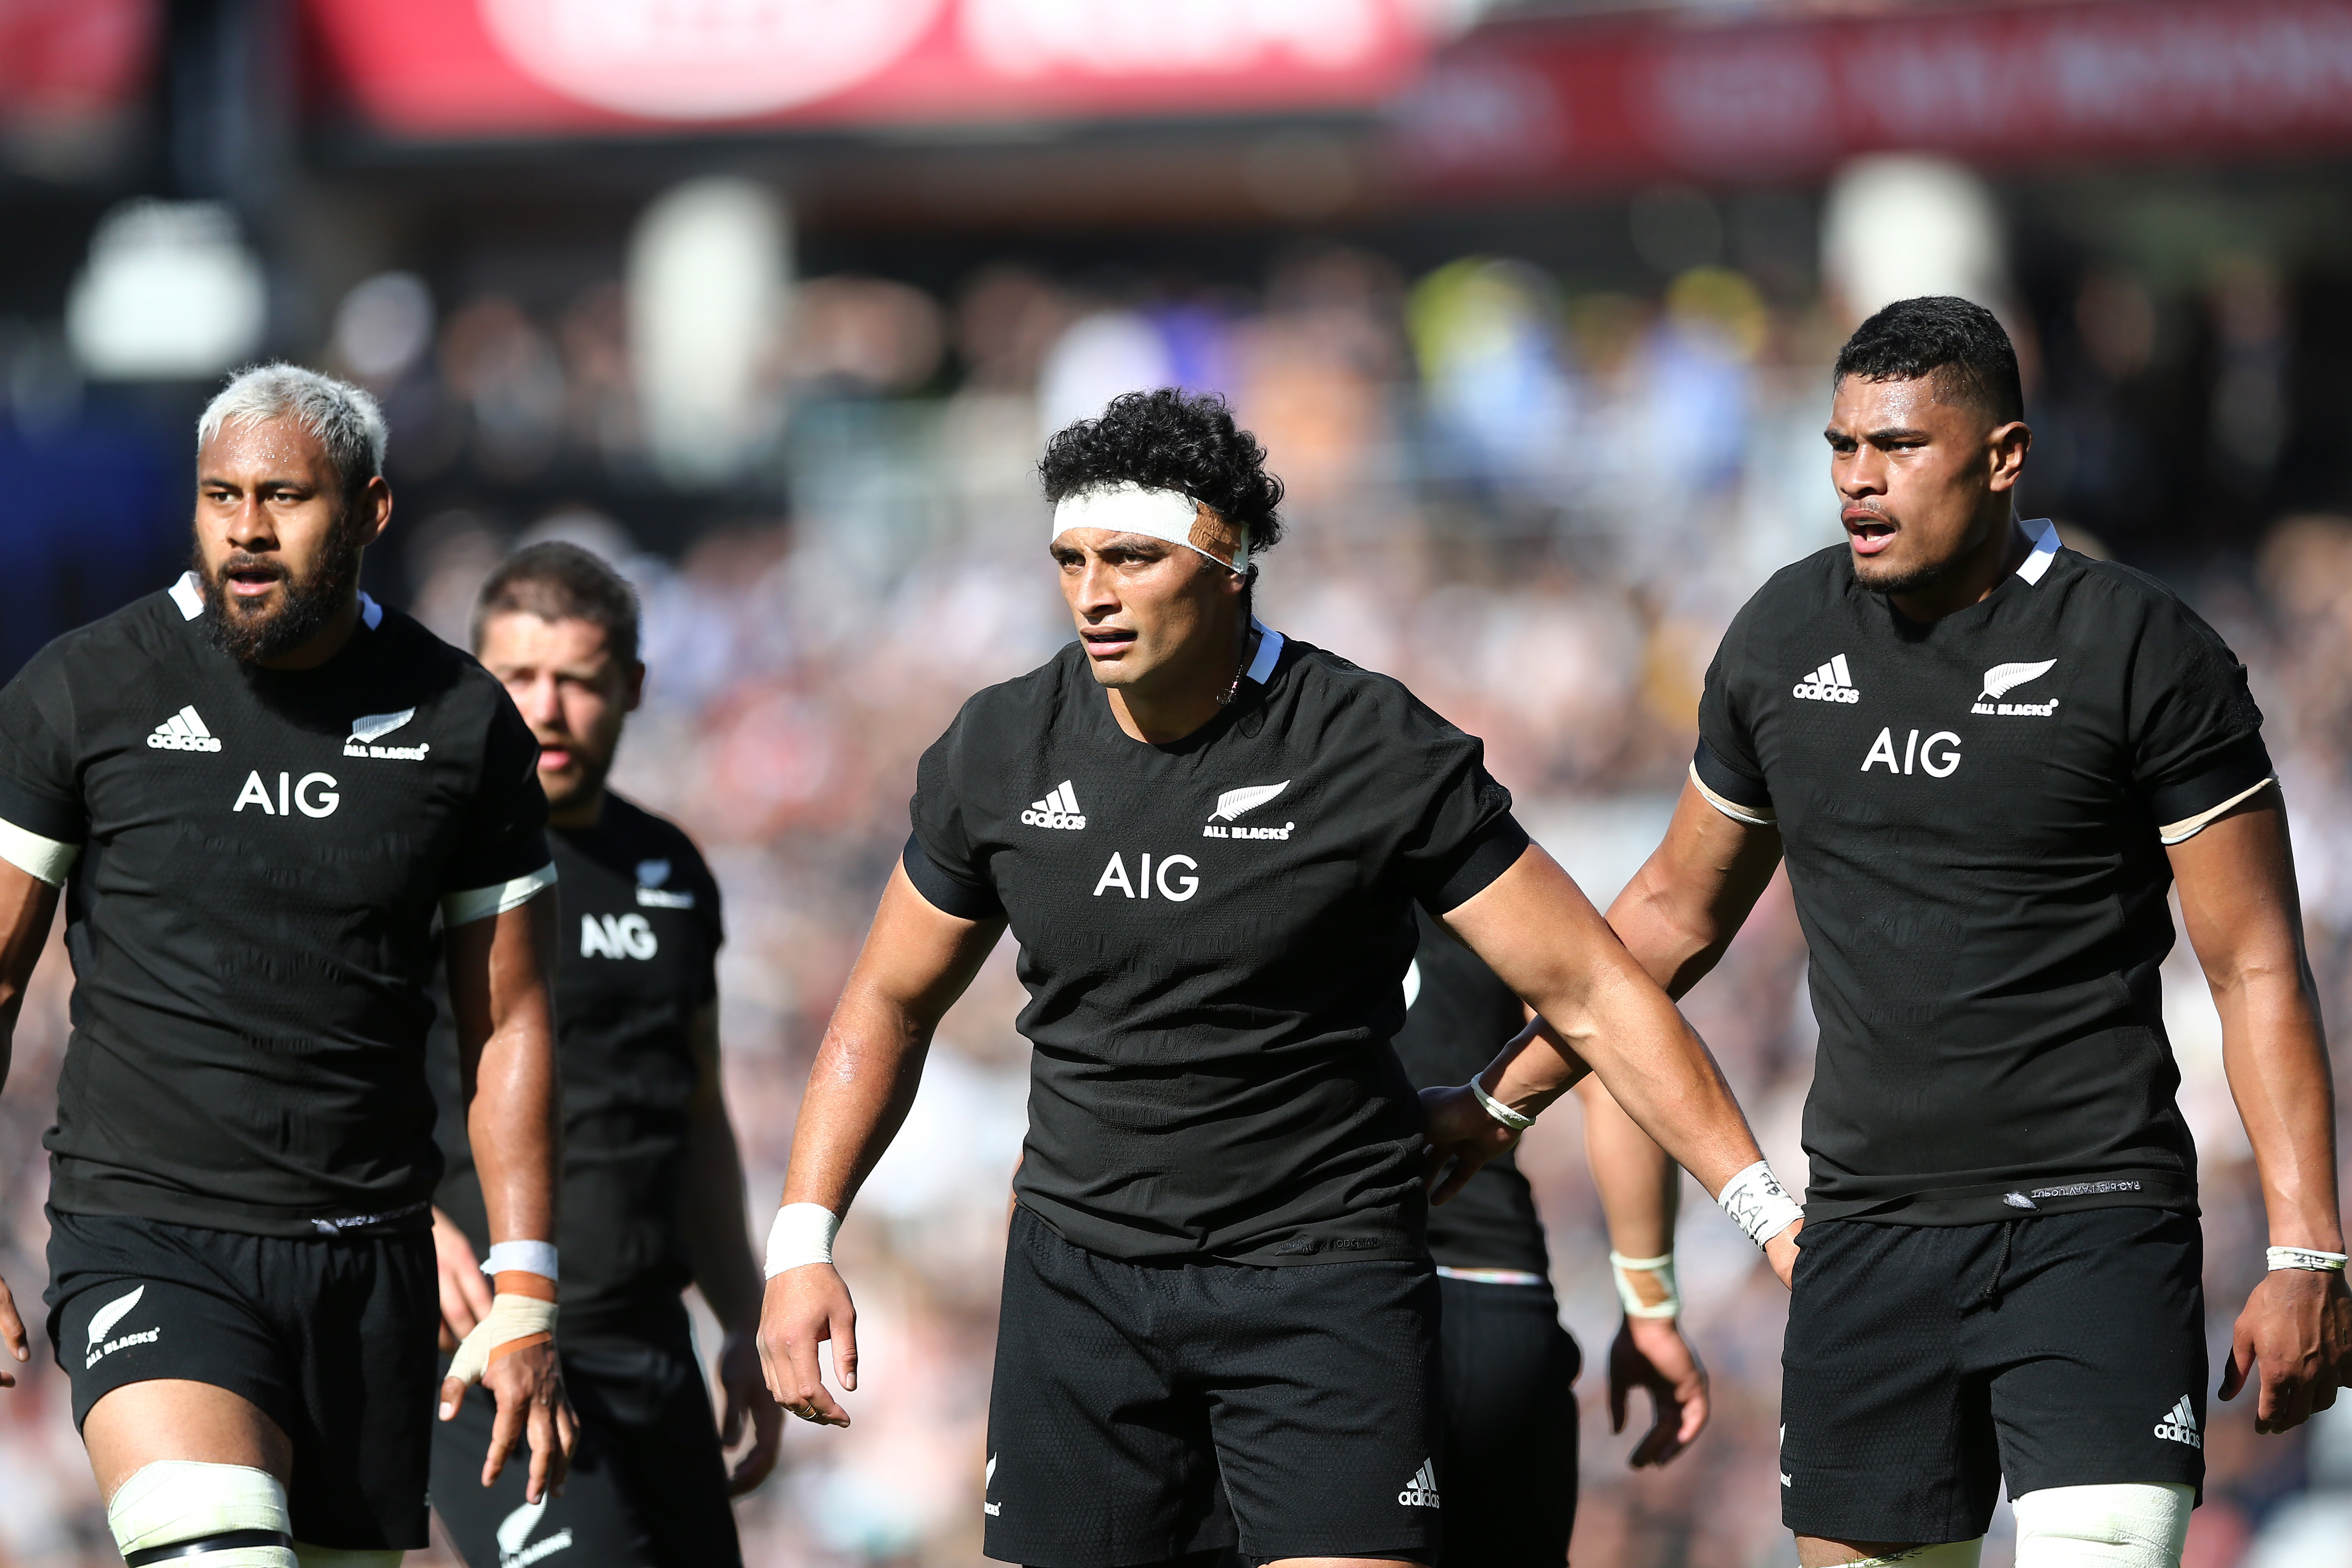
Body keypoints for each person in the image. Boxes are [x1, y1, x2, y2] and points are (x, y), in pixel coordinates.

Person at [755, 388, 1799, 1568]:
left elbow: (1599, 991)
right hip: (1083, 1290)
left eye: (1135, 559)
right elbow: (888, 1001)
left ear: (1232, 559)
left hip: (1323, 1280)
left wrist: (1766, 1213)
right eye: (1073, 560)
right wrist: (804, 1239)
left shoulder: (1369, 746)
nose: (1094, 593)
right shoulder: (999, 748)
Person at [1604, 296, 2351, 1567]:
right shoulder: (1781, 637)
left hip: (2096, 1223)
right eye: (1841, 448)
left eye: (1896, 447)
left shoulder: (2142, 647)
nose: (1858, 480)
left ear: (2003, 457)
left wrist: (2306, 1246)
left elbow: (2256, 961)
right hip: (1863, 1245)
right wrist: (1498, 1098)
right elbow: (1666, 919)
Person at [0, 363, 573, 1568]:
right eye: (222, 496)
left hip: (369, 1266)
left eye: (285, 498)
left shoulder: (463, 722)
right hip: (151, 1236)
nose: (248, 530)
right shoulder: (86, 689)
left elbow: (510, 1019)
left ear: (370, 509)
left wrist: (525, 1284)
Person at [424, 542, 781, 1568]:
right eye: (518, 679)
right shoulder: (424, 857)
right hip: (491, 1342)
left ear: (631, 688)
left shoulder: (671, 869)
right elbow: (328, 1066)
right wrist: (406, 1215)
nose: (547, 708)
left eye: (578, 681)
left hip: (651, 1348)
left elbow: (696, 1110)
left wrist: (744, 1319)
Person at [1389, 908, 1708, 1568]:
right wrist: (1651, 1309)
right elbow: (1613, 1058)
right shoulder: (1474, 863)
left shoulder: (1246, 860)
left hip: (1318, 1302)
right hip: (1498, 1315)